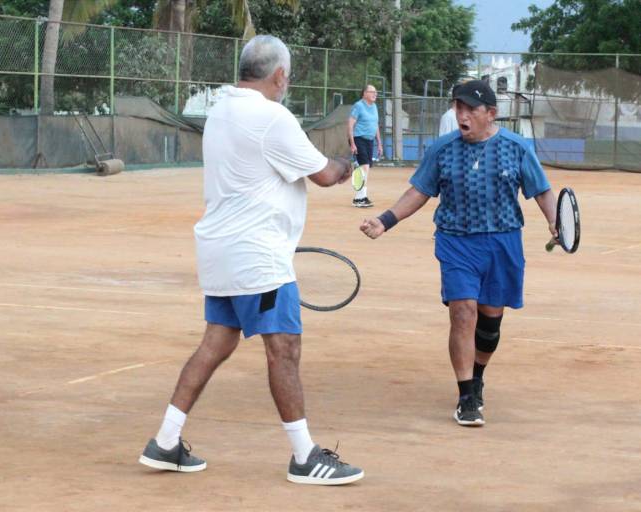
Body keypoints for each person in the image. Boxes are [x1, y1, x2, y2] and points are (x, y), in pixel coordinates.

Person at [139, 35, 364, 486]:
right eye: (288, 76)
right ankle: (304, 456)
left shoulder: (221, 108)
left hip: (221, 253)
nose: (288, 83)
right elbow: (322, 175)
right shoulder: (271, 117)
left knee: (216, 344)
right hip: (257, 258)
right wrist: (345, 164)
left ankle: (165, 441)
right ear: (279, 76)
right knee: (285, 348)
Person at [360, 80, 557, 427]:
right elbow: (419, 191)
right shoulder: (442, 149)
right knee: (463, 311)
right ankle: (467, 395)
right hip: (456, 241)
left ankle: (478, 374)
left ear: (491, 114)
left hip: (502, 242)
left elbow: (541, 190)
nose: (461, 115)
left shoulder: (516, 147)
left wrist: (558, 224)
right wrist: (384, 220)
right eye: (458, 108)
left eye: (470, 109)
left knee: (490, 322)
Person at [348, 84, 383, 208]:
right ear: (364, 94)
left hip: (369, 141)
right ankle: (360, 198)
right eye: (372, 91)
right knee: (365, 167)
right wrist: (352, 143)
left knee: (365, 169)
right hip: (358, 139)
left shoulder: (374, 107)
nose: (375, 94)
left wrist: (379, 143)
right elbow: (350, 125)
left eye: (376, 92)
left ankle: (360, 197)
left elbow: (375, 125)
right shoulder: (358, 106)